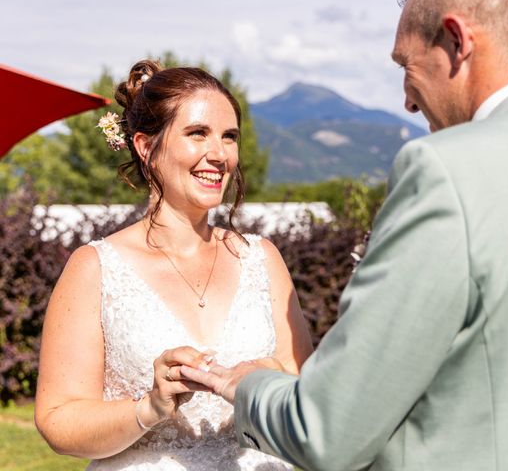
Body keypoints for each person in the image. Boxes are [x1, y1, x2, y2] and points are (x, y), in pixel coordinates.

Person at [179, 0, 508, 470]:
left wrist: (245, 385)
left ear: (458, 42)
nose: (406, 100)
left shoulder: (446, 172)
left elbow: (329, 428)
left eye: (406, 65)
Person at [34, 60, 313, 470]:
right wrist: (149, 406)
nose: (219, 155)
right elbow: (58, 421)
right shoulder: (95, 268)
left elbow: (310, 402)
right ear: (146, 147)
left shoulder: (262, 258)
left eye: (229, 137)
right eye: (197, 133)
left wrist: (271, 379)